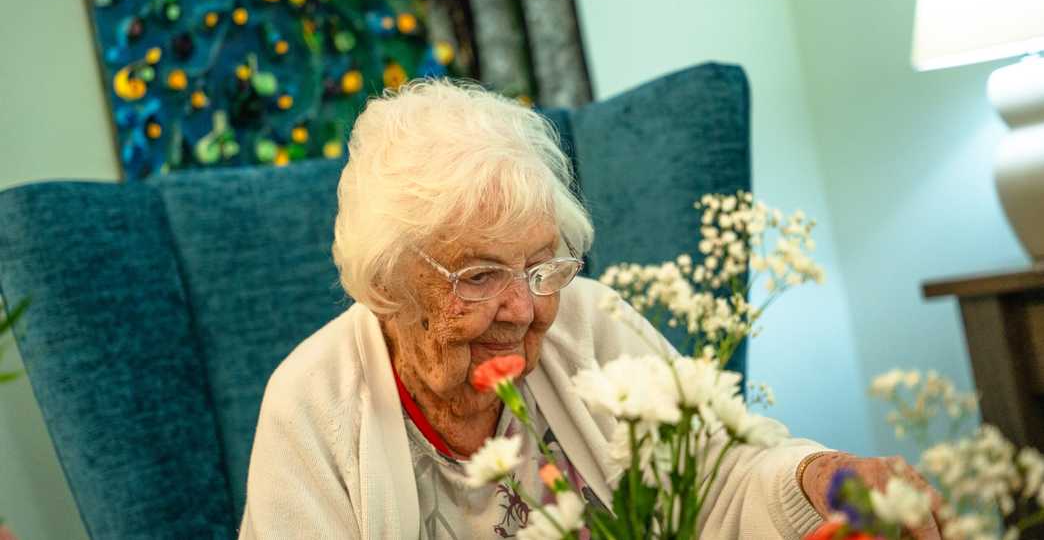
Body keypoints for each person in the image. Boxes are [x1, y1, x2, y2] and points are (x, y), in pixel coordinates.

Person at [238, 79, 941, 539]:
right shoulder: (312, 408)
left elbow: (724, 479)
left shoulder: (588, 322)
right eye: (480, 275)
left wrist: (821, 477)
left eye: (542, 265)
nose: (524, 306)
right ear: (386, 285)